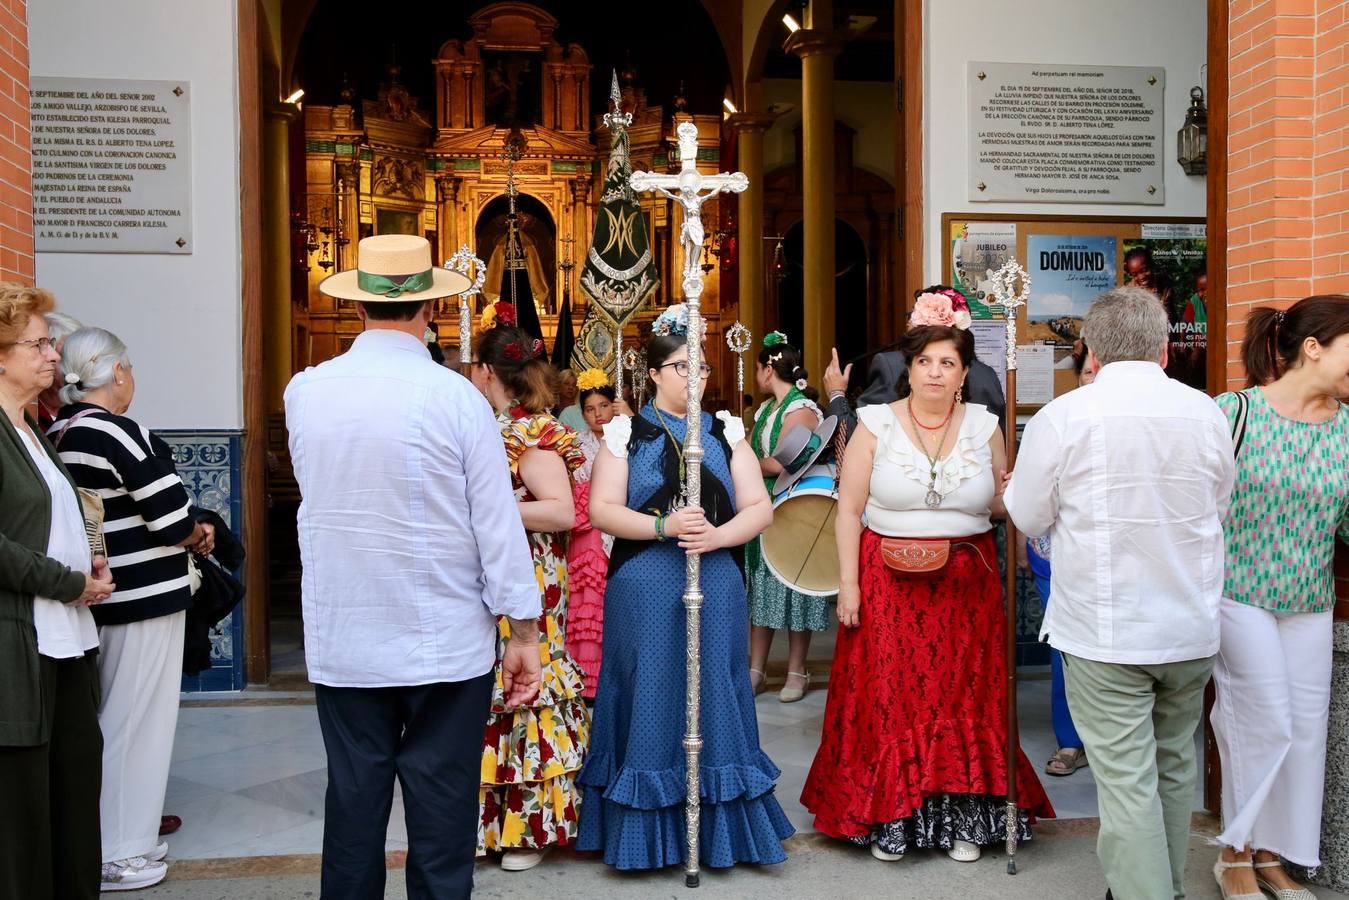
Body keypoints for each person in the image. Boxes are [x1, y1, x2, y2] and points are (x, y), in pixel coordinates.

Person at [285, 234, 542, 899]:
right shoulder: (456, 398)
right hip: (443, 637)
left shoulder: (305, 392)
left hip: (347, 633)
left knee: (353, 802)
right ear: (430, 307)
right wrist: (523, 633)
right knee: (442, 810)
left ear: (357, 309)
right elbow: (494, 521)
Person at [802, 288, 1053, 864]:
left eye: (948, 363)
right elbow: (846, 509)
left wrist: (1013, 496)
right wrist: (849, 584)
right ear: (908, 370)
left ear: (964, 373)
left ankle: (967, 820)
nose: (935, 372)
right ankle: (892, 818)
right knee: (895, 701)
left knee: (965, 700)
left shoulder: (985, 427)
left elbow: (998, 506)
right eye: (925, 362)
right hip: (887, 580)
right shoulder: (873, 424)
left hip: (967, 583)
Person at [1005, 286, 1235, 900]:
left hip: (1105, 630)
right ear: (1164, 350)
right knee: (1174, 766)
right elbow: (1220, 505)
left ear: (1092, 353)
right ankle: (1159, 884)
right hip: (1188, 622)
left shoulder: (1066, 416)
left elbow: (1026, 514)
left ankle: (1146, 892)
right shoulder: (1207, 412)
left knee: (1128, 780)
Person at [577, 305, 793, 870]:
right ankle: (645, 833)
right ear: (653, 374)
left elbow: (759, 509)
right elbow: (601, 509)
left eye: (699, 366)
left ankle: (722, 830)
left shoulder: (727, 430)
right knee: (649, 688)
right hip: (643, 582)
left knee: (714, 686)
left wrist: (719, 537)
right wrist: (661, 526)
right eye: (680, 367)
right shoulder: (627, 432)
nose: (693, 376)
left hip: (716, 578)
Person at [51, 326, 214, 892]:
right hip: (143, 596)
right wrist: (201, 533)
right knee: (136, 721)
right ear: (117, 372)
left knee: (113, 715)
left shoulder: (61, 429)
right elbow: (171, 518)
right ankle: (119, 851)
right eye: (131, 369)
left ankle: (122, 835)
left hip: (101, 597)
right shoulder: (120, 432)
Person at [1209, 295, 1349, 900]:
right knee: (1259, 717)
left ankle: (1273, 854)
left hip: (1311, 597)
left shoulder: (1347, 427)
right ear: (1313, 348)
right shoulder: (1232, 413)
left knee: (1305, 729)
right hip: (1238, 591)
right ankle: (1234, 852)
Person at [468, 306, 590, 871]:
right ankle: (487, 823)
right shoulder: (485, 426)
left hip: (531, 574)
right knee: (490, 688)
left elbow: (562, 510)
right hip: (487, 573)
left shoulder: (531, 432)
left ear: (486, 372)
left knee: (526, 689)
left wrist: (494, 511)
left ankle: (526, 829)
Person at [0, 285, 113, 900]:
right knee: (26, 808)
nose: (54, 356)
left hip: (68, 639)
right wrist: (67, 582)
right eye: (39, 344)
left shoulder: (34, 429)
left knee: (74, 791)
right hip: (20, 645)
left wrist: (91, 562)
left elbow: (58, 518)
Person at [1021, 340, 1093, 778]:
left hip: (1120, 559)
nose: (1093, 382)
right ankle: (1070, 741)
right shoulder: (1057, 420)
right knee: (1065, 651)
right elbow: (1029, 493)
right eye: (1087, 373)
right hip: (1057, 557)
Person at [746, 331, 831, 702]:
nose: (756, 377)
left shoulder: (802, 409)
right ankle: (756, 667)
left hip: (792, 502)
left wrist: (742, 461)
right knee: (762, 584)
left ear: (768, 369)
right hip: (761, 501)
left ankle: (797, 670)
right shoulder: (765, 410)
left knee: (795, 583)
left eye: (758, 369)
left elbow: (788, 461)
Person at [823, 285, 1006, 438]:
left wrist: (836, 393)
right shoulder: (988, 375)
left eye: (914, 315)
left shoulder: (892, 366)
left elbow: (855, 435)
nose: (935, 373)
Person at [565, 368, 617, 701]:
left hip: (614, 528)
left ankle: (611, 677)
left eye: (603, 406)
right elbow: (572, 488)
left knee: (609, 601)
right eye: (589, 409)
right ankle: (584, 679)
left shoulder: (626, 440)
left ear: (615, 405)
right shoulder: (576, 445)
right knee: (585, 601)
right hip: (586, 534)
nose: (597, 414)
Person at [36, 311, 81, 431]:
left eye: (80, 358)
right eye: (66, 356)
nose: (74, 367)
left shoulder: (83, 413)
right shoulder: (28, 413)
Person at [553, 367, 588, 433]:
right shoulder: (551, 410)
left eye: (574, 385)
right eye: (566, 384)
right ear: (559, 385)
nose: (571, 387)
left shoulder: (581, 410)